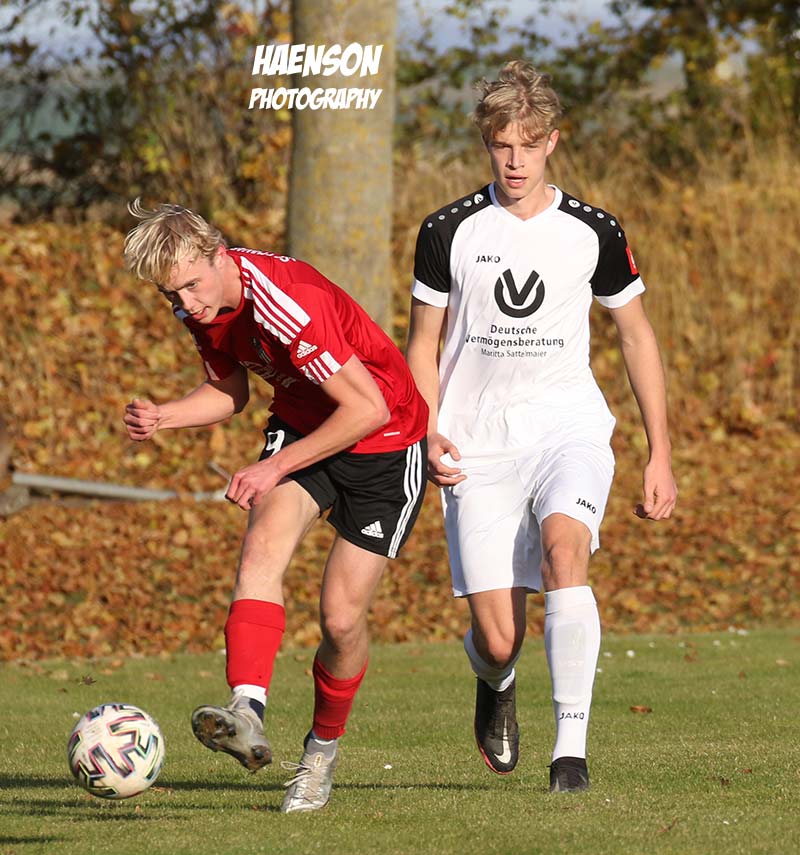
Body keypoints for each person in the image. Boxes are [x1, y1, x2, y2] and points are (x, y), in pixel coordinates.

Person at [405, 61, 677, 793]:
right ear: (486, 143)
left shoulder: (594, 230)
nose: (515, 160)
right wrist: (428, 430)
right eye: (502, 145)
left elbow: (636, 335)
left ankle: (570, 756)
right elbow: (422, 345)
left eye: (529, 144)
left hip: (568, 428)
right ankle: (495, 679)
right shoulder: (447, 230)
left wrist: (660, 450)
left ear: (553, 141)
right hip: (477, 442)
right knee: (500, 639)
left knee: (565, 554)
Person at [122, 200, 427, 812]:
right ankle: (247, 710)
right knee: (261, 549)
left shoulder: (286, 301)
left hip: (385, 443)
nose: (185, 304)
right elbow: (229, 391)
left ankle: (320, 754)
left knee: (340, 621)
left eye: (191, 285)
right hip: (305, 425)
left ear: (220, 255)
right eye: (170, 295)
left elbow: (366, 409)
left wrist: (274, 466)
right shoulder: (202, 305)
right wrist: (165, 416)